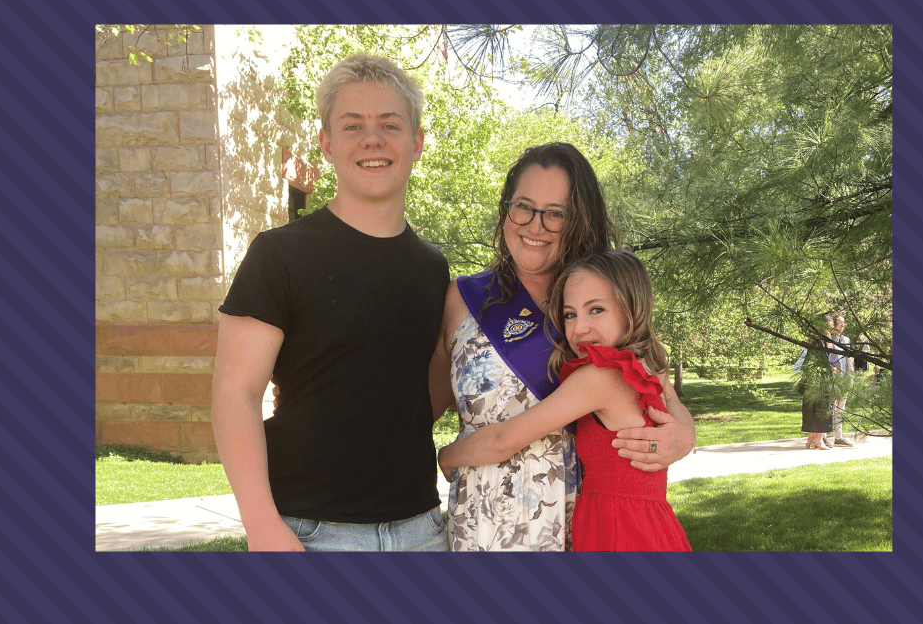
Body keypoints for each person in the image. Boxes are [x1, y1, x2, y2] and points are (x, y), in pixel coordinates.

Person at [212, 54, 450, 551]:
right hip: (311, 533)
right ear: (326, 143)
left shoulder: (432, 269)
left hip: (423, 530)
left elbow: (420, 396)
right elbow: (234, 394)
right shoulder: (279, 253)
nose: (373, 139)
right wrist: (261, 526)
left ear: (417, 144)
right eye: (353, 125)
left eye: (390, 124)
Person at [429, 142, 695, 551]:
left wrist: (684, 436)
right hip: (487, 527)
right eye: (523, 207)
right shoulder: (462, 298)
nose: (535, 226)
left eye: (555, 214)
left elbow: (662, 395)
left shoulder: (602, 297)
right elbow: (421, 409)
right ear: (505, 210)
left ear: (579, 222)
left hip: (588, 526)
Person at [438, 250, 692, 551]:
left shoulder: (598, 378)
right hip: (654, 524)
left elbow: (503, 440)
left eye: (596, 310)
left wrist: (446, 457)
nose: (579, 329)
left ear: (631, 308)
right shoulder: (649, 365)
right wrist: (686, 434)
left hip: (618, 531)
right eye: (570, 314)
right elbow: (675, 406)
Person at [793, 313, 839, 450]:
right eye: (830, 324)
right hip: (821, 379)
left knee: (811, 409)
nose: (832, 326)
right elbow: (824, 362)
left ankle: (811, 439)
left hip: (811, 379)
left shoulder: (812, 339)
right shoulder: (822, 341)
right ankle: (818, 440)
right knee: (822, 408)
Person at [829, 312, 855, 447]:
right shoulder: (829, 340)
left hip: (845, 377)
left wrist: (851, 376)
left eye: (843, 323)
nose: (842, 325)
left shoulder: (846, 340)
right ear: (832, 324)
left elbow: (850, 360)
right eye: (839, 323)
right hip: (833, 378)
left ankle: (838, 437)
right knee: (830, 407)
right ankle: (827, 436)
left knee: (841, 407)